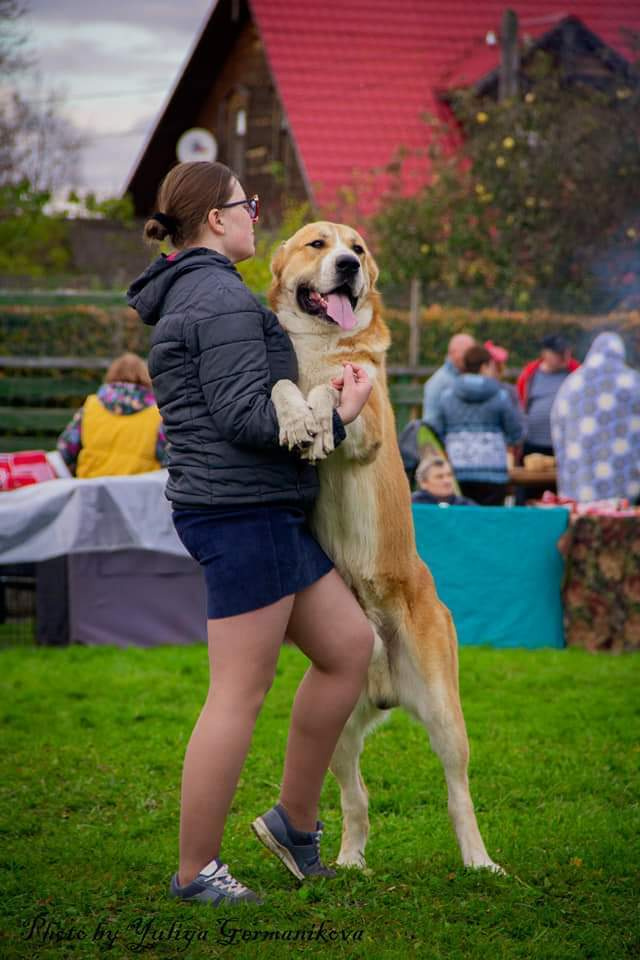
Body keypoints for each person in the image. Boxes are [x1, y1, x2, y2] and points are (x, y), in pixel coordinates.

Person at [126, 160, 374, 906]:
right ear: (213, 219)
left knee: (349, 648)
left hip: (258, 509)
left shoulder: (194, 294)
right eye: (248, 204)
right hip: (243, 514)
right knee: (237, 693)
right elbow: (248, 419)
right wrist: (342, 411)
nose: (255, 216)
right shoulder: (222, 301)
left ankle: (294, 824)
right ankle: (196, 871)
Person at [551, 331, 640, 503]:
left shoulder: (571, 384)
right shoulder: (634, 382)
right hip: (626, 483)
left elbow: (558, 428)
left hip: (581, 482)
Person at [430, 345, 524, 506]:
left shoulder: (447, 395)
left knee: (461, 525)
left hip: (457, 472)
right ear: (484, 366)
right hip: (493, 475)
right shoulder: (501, 394)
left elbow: (436, 429)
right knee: (490, 525)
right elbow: (516, 432)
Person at [56, 352, 168, 477]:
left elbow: (65, 451)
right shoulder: (157, 415)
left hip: (91, 490)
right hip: (139, 493)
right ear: (145, 378)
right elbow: (168, 458)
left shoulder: (90, 408)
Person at [516, 334, 580, 459]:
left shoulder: (576, 373)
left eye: (566, 352)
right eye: (559, 353)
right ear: (545, 354)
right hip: (533, 444)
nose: (565, 357)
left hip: (564, 444)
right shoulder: (530, 375)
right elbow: (520, 404)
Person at [422, 332, 475, 425]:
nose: (471, 357)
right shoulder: (438, 383)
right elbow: (430, 422)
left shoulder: (473, 376)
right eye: (466, 352)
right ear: (452, 353)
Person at [411, 456, 475, 505]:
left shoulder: (465, 505)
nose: (447, 481)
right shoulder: (411, 505)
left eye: (449, 475)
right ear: (423, 482)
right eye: (439, 477)